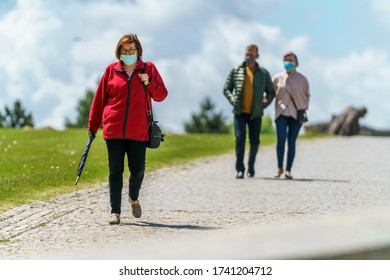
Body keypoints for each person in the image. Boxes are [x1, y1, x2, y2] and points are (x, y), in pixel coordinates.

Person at [88, 34, 168, 225]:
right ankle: (115, 212)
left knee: (138, 170)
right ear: (119, 52)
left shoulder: (148, 69)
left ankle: (133, 198)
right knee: (115, 171)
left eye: (132, 50)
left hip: (138, 130)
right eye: (125, 51)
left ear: (138, 51)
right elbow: (98, 101)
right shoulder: (111, 71)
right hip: (113, 129)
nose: (129, 53)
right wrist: (93, 126)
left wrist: (149, 83)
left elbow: (162, 95)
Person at [223, 44, 275, 179]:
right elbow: (226, 89)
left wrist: (265, 103)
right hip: (239, 112)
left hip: (255, 113)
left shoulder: (263, 73)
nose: (249, 56)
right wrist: (233, 99)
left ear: (257, 56)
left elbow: (271, 92)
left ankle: (251, 166)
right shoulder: (236, 70)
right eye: (247, 53)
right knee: (240, 139)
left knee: (254, 141)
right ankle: (240, 169)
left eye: (252, 54)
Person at [273, 51, 310, 180]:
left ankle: (288, 170)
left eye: (291, 60)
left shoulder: (302, 79)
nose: (288, 63)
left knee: (291, 141)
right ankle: (279, 167)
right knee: (281, 139)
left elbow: (307, 95)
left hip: (296, 114)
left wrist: (304, 107)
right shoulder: (277, 77)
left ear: (296, 63)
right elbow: (271, 93)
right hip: (281, 113)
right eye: (285, 60)